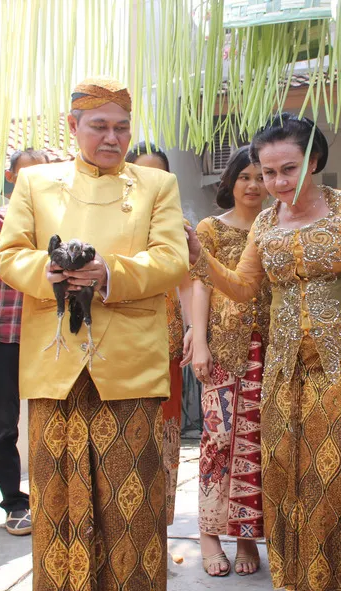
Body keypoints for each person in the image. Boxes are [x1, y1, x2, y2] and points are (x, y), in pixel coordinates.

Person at [0, 77, 188, 591]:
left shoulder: (155, 187)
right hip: (56, 365)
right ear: (73, 126)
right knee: (57, 503)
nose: (112, 137)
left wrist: (109, 274)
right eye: (99, 126)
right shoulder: (36, 183)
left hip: (128, 366)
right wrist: (50, 272)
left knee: (133, 507)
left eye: (122, 127)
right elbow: (8, 255)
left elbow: (173, 258)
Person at [188, 113, 341, 591]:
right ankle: (296, 583)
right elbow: (245, 286)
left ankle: (340, 583)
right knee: (283, 471)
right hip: (282, 366)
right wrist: (199, 256)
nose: (275, 182)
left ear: (314, 161)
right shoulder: (266, 223)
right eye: (267, 172)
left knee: (337, 470)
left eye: (287, 169)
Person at [189, 146, 270, 577]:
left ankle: (245, 536)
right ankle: (208, 536)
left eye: (262, 176)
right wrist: (198, 341)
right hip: (224, 349)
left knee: (254, 448)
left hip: (270, 348)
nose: (254, 185)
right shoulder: (211, 229)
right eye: (245, 177)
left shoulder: (277, 225)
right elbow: (201, 285)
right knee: (218, 443)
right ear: (230, 183)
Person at [0, 148, 48, 536]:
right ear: (10, 176)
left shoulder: (62, 220)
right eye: (27, 174)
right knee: (5, 422)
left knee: (51, 419)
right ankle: (15, 503)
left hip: (50, 336)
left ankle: (51, 495)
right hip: (4, 336)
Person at [125, 142, 193, 527]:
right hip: (118, 345)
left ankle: (157, 526)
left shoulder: (178, 229)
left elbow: (187, 282)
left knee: (164, 436)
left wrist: (191, 331)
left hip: (164, 343)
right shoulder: (111, 222)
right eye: (141, 173)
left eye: (160, 175)